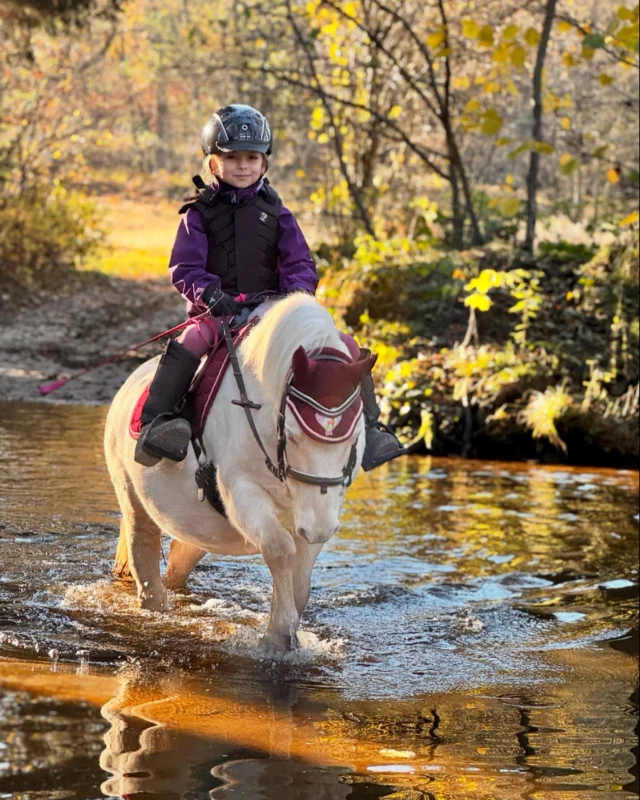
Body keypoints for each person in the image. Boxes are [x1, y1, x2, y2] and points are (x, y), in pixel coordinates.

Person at [135, 103, 403, 471]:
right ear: (213, 162)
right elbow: (185, 268)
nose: (242, 165)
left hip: (272, 313)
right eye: (232, 158)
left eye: (251, 157)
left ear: (264, 162)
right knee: (190, 343)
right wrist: (210, 294)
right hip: (219, 313)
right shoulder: (198, 214)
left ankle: (372, 431)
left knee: (346, 344)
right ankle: (157, 423)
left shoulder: (279, 214)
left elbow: (300, 265)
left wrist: (292, 301)